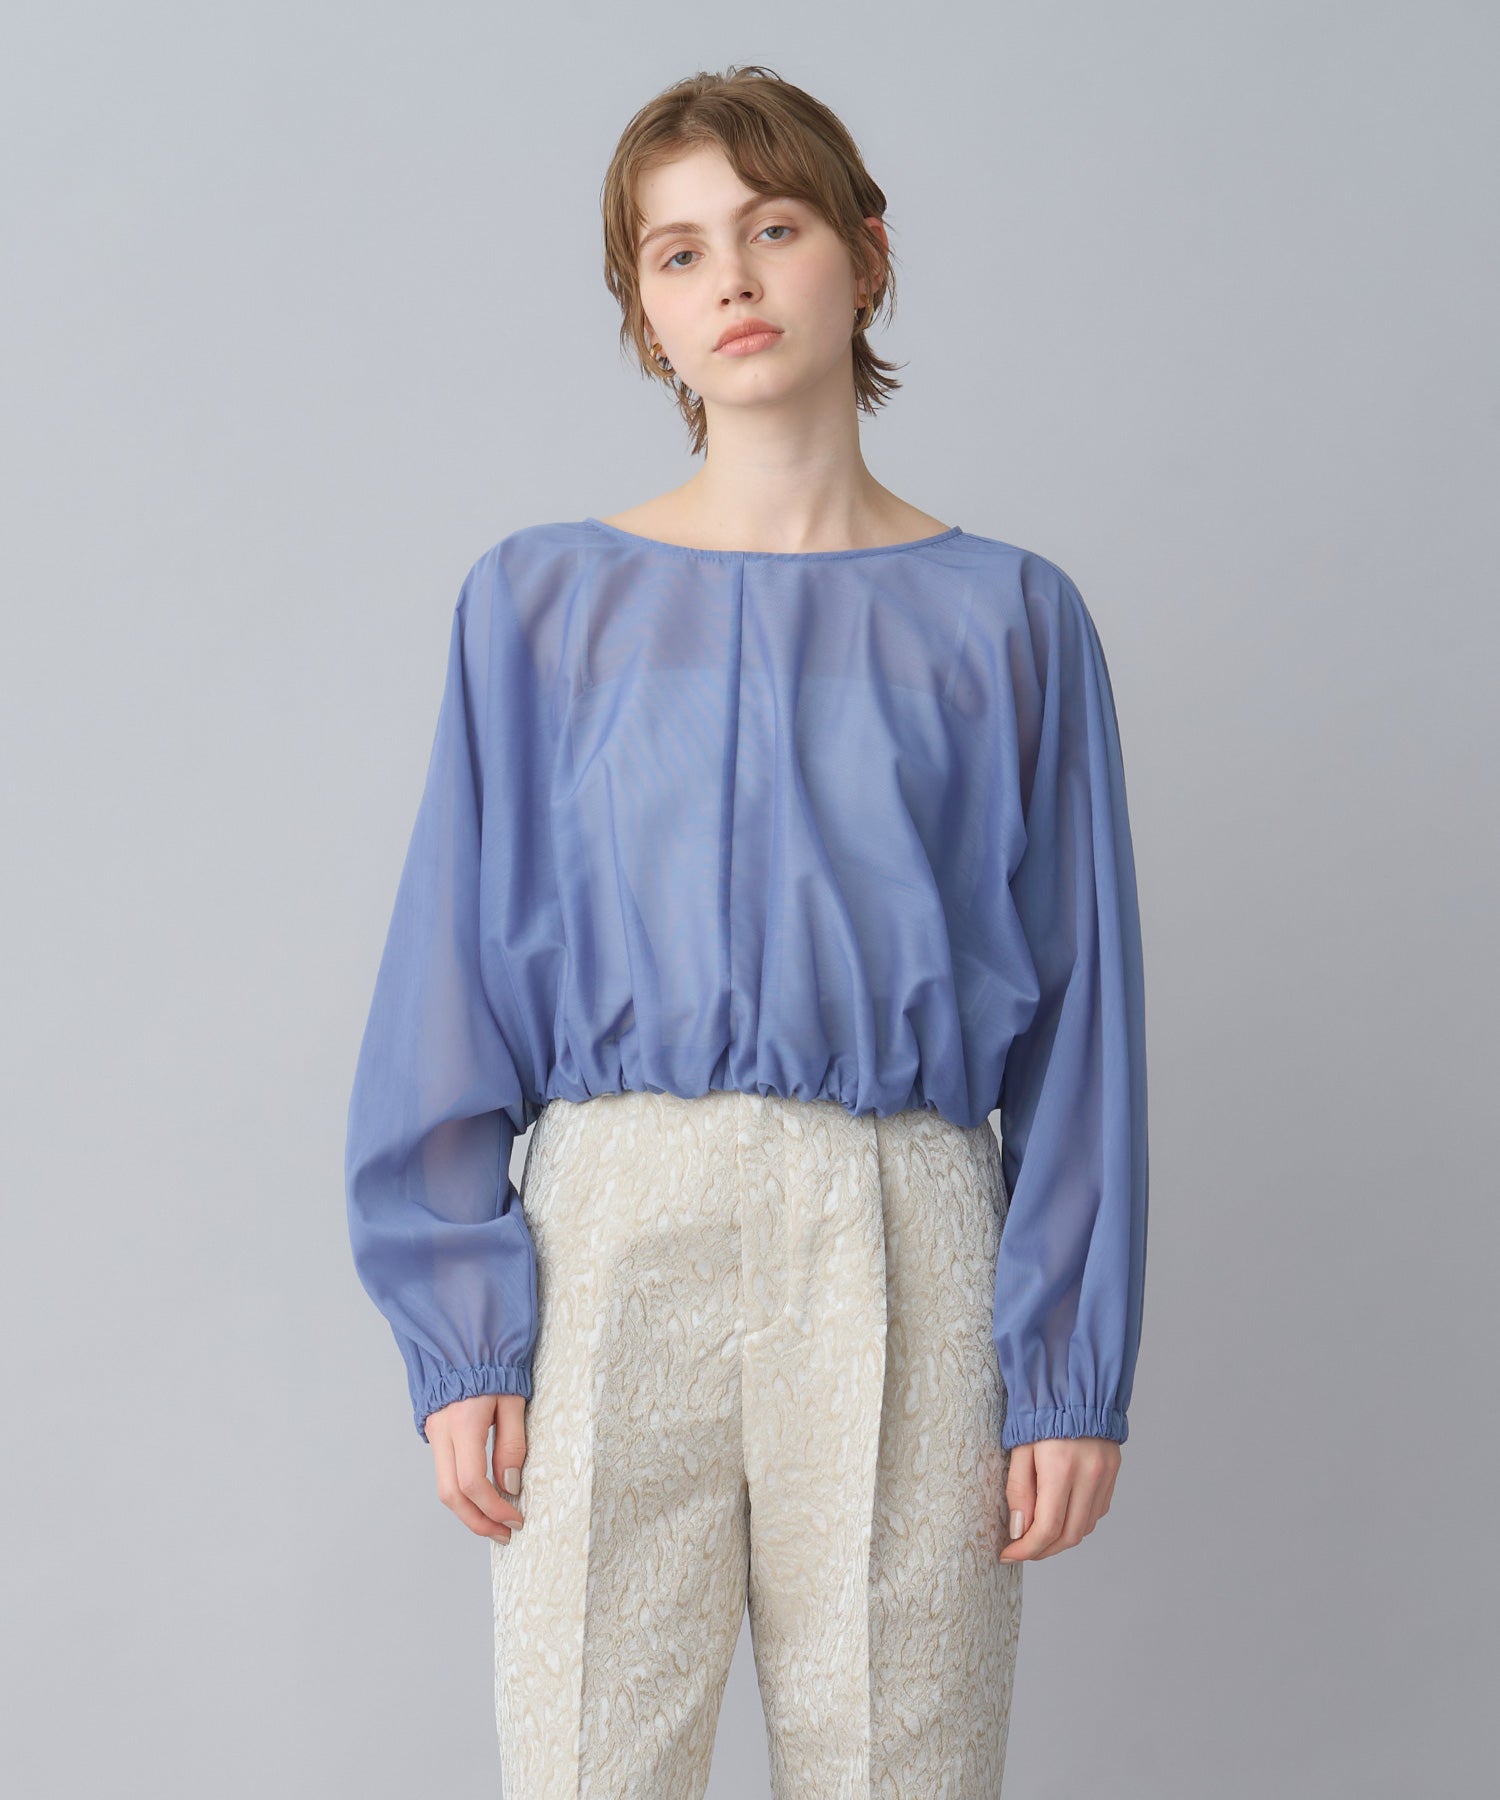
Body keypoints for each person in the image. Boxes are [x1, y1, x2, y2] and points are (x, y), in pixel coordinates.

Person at [344, 63, 1149, 1798]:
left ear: (866, 253)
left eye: (774, 229)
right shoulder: (540, 606)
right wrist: (461, 1326)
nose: (731, 280)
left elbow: (1085, 1014)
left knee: (902, 1766)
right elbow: (451, 968)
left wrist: (1068, 1373)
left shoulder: (1010, 620)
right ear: (642, 307)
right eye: (679, 251)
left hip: (906, 1226)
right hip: (611, 1231)